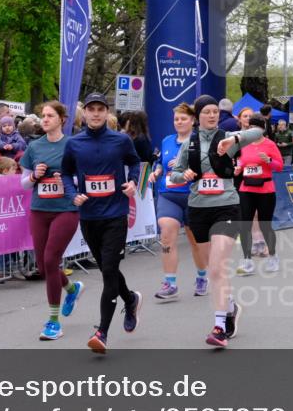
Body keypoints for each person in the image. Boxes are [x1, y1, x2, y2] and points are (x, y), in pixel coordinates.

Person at [169, 95, 264, 348]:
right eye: (206, 112)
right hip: (199, 208)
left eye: (214, 112)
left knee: (217, 267)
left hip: (227, 207)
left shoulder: (228, 138)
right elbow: (175, 175)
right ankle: (230, 307)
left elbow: (258, 131)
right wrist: (184, 175)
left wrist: (235, 138)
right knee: (212, 269)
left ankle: (219, 326)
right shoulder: (188, 143)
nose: (211, 115)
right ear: (197, 116)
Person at [61, 93, 142, 354]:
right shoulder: (74, 144)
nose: (96, 114)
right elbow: (64, 172)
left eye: (100, 110)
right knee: (108, 268)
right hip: (89, 216)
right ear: (84, 113)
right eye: (91, 109)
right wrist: (73, 195)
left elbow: (134, 162)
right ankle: (130, 299)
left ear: (107, 113)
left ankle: (102, 332)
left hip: (116, 214)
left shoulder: (120, 141)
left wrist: (132, 182)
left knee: (108, 270)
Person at [21, 102, 84, 341]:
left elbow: (83, 178)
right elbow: (23, 183)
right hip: (39, 209)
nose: (44, 119)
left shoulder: (73, 145)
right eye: (42, 116)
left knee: (50, 259)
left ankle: (53, 321)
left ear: (62, 120)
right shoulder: (34, 146)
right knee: (42, 265)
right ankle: (71, 288)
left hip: (65, 209)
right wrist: (35, 176)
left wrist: (67, 182)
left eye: (50, 116)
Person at [151, 103, 209, 301]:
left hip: (194, 196)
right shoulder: (167, 140)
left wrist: (186, 166)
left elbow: (208, 166)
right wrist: (157, 171)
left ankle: (202, 277)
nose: (179, 122)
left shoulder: (200, 141)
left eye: (183, 118)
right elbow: (160, 163)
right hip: (169, 194)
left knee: (196, 243)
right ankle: (170, 283)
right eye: (176, 119)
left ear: (192, 121)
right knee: (166, 234)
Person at [235, 114, 284, 275]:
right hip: (246, 188)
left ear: (262, 128)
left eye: (257, 127)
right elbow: (241, 163)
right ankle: (247, 260)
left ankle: (272, 256)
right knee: (244, 225)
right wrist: (238, 168)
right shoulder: (243, 143)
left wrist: (269, 160)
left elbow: (280, 166)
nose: (253, 130)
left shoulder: (270, 144)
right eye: (251, 127)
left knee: (265, 225)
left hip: (265, 189)